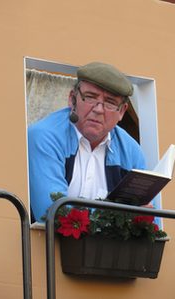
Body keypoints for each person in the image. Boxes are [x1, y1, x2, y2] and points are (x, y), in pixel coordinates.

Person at [28, 62, 146, 222]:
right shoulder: (45, 136)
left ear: (122, 111)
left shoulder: (132, 151)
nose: (99, 109)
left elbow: (150, 222)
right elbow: (51, 212)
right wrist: (122, 218)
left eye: (110, 102)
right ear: (72, 99)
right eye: (90, 97)